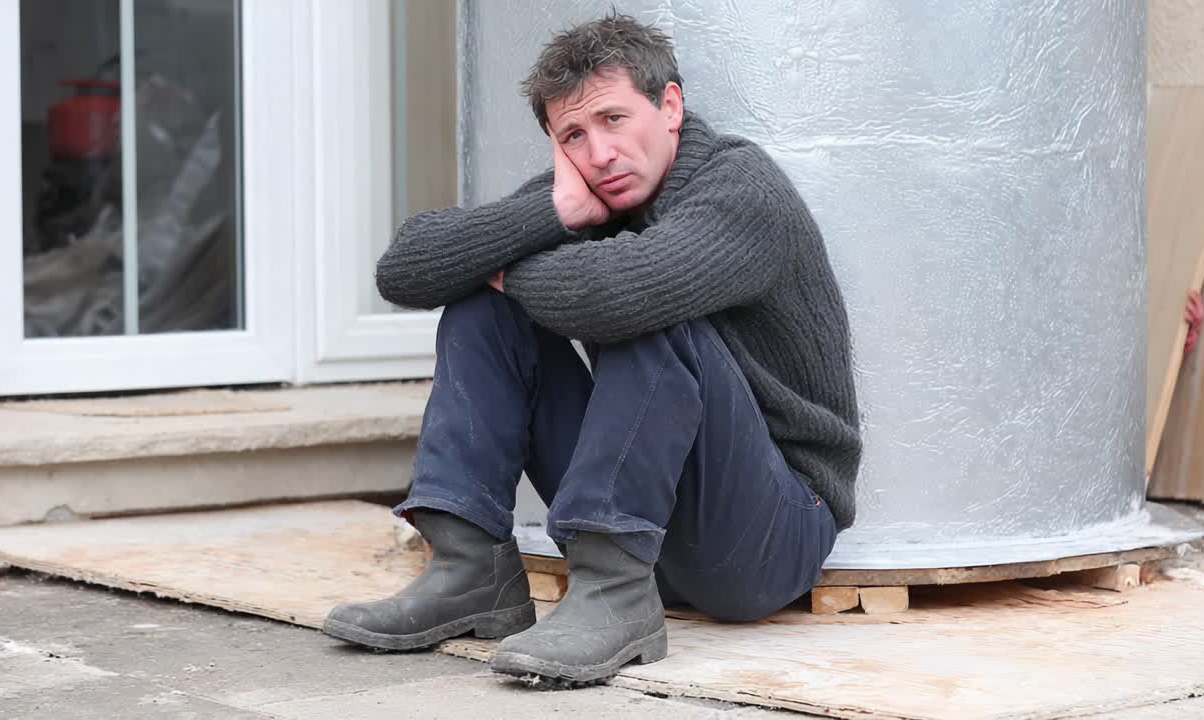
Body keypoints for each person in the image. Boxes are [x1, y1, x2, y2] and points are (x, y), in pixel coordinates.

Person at [323, 12, 861, 685]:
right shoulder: (590, 196)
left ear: (669, 106)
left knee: (641, 307)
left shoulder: (740, 189)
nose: (599, 152)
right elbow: (404, 268)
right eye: (573, 134)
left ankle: (613, 594)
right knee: (483, 307)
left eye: (613, 119)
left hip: (768, 536)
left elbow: (621, 296)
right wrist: (550, 215)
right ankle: (470, 568)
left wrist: (503, 264)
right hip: (659, 536)